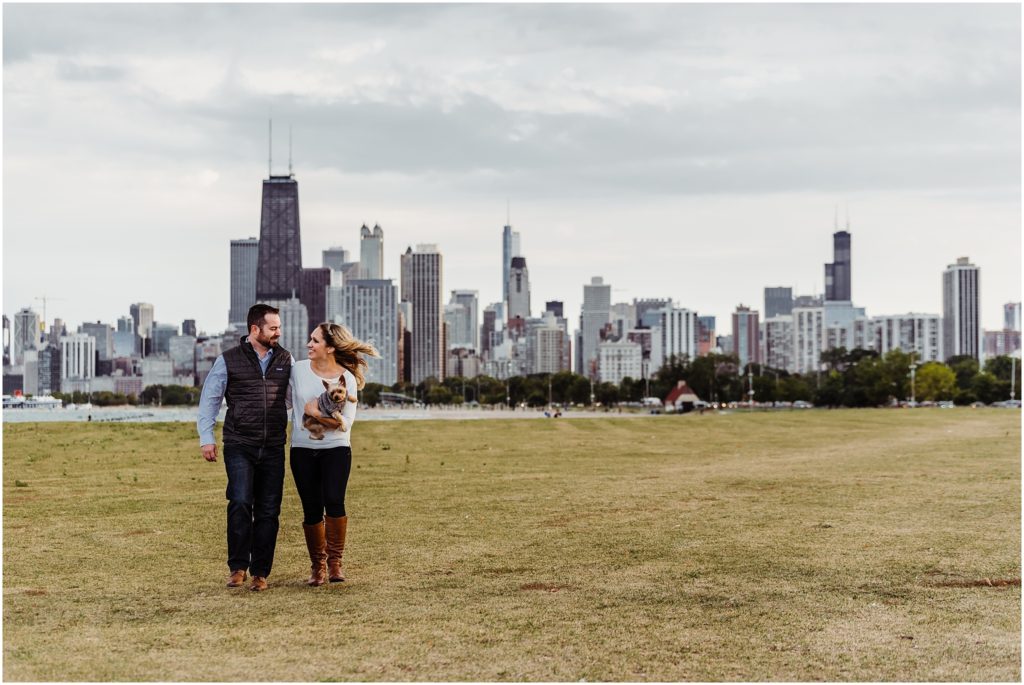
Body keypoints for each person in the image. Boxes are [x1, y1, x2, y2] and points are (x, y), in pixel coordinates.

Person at [197, 304, 292, 592]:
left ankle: (261, 573)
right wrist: (206, 436)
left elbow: (294, 398)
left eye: (279, 327)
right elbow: (210, 398)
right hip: (240, 443)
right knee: (239, 501)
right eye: (273, 328)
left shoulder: (286, 359)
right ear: (255, 329)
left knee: (269, 510)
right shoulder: (228, 360)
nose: (278, 332)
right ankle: (238, 567)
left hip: (274, 444)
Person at [289, 322, 378, 586]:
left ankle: (335, 564)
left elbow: (345, 424)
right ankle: (317, 568)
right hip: (302, 449)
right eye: (310, 340)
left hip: (336, 449)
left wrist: (315, 413)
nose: (309, 345)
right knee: (311, 508)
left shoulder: (346, 379)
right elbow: (284, 402)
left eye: (315, 341)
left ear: (330, 347)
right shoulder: (297, 371)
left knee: (335, 502)